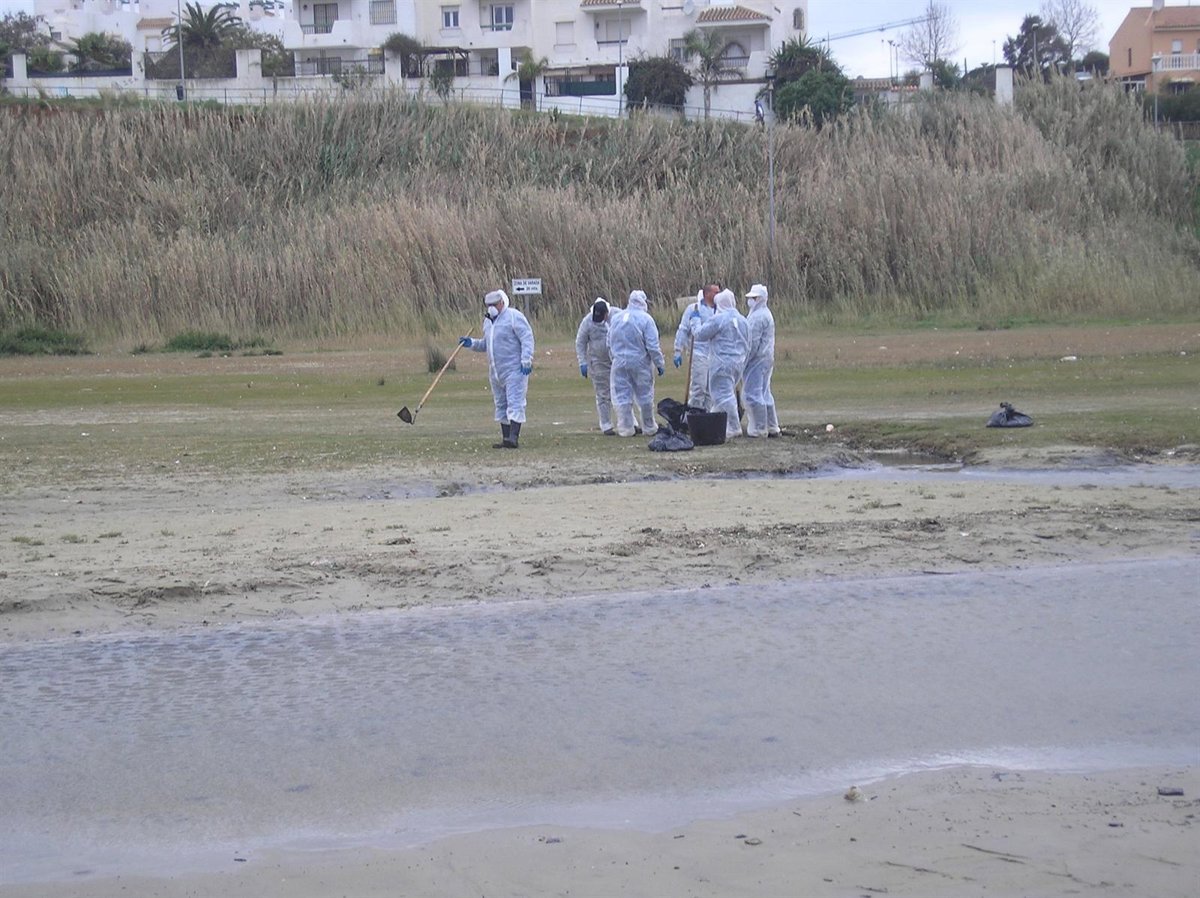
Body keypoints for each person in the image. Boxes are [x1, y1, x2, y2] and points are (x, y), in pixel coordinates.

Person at [459, 289, 534, 449]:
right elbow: (487, 345)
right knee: (501, 404)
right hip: (496, 372)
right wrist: (472, 343)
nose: (492, 307)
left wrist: (526, 359)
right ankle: (506, 438)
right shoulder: (488, 322)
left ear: (502, 302)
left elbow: (527, 338)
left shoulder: (514, 316)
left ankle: (513, 438)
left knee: (515, 402)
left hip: (514, 369)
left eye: (495, 304)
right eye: (489, 305)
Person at [690, 288, 750, 440]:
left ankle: (733, 426)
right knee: (721, 395)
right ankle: (716, 423)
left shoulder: (719, 319)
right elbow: (748, 343)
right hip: (738, 364)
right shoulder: (743, 320)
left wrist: (695, 320)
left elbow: (700, 334)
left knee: (723, 395)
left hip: (721, 364)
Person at [607, 289, 665, 437]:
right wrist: (659, 363)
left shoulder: (616, 318)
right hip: (640, 362)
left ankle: (626, 428)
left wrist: (614, 358)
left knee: (622, 395)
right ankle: (649, 426)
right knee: (645, 395)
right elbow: (652, 345)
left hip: (619, 362)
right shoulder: (646, 319)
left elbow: (609, 342)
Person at [742, 283, 780, 438]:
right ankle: (772, 426)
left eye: (754, 298)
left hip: (757, 360)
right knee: (764, 392)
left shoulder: (758, 317)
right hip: (766, 358)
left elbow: (753, 343)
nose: (751, 300)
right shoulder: (763, 313)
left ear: (761, 298)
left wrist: (744, 361)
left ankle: (759, 428)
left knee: (753, 393)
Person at [673, 282, 719, 409]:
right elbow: (683, 329)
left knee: (711, 390)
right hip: (698, 352)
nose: (718, 295)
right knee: (699, 387)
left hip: (715, 354)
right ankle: (693, 413)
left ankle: (707, 415)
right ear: (707, 294)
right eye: (716, 292)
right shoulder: (694, 308)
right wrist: (678, 350)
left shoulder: (719, 310)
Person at [575, 297, 615, 435]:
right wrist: (582, 362)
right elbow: (580, 342)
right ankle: (606, 425)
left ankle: (629, 423)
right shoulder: (587, 321)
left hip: (617, 361)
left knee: (622, 392)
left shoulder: (616, 316)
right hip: (598, 363)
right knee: (603, 394)